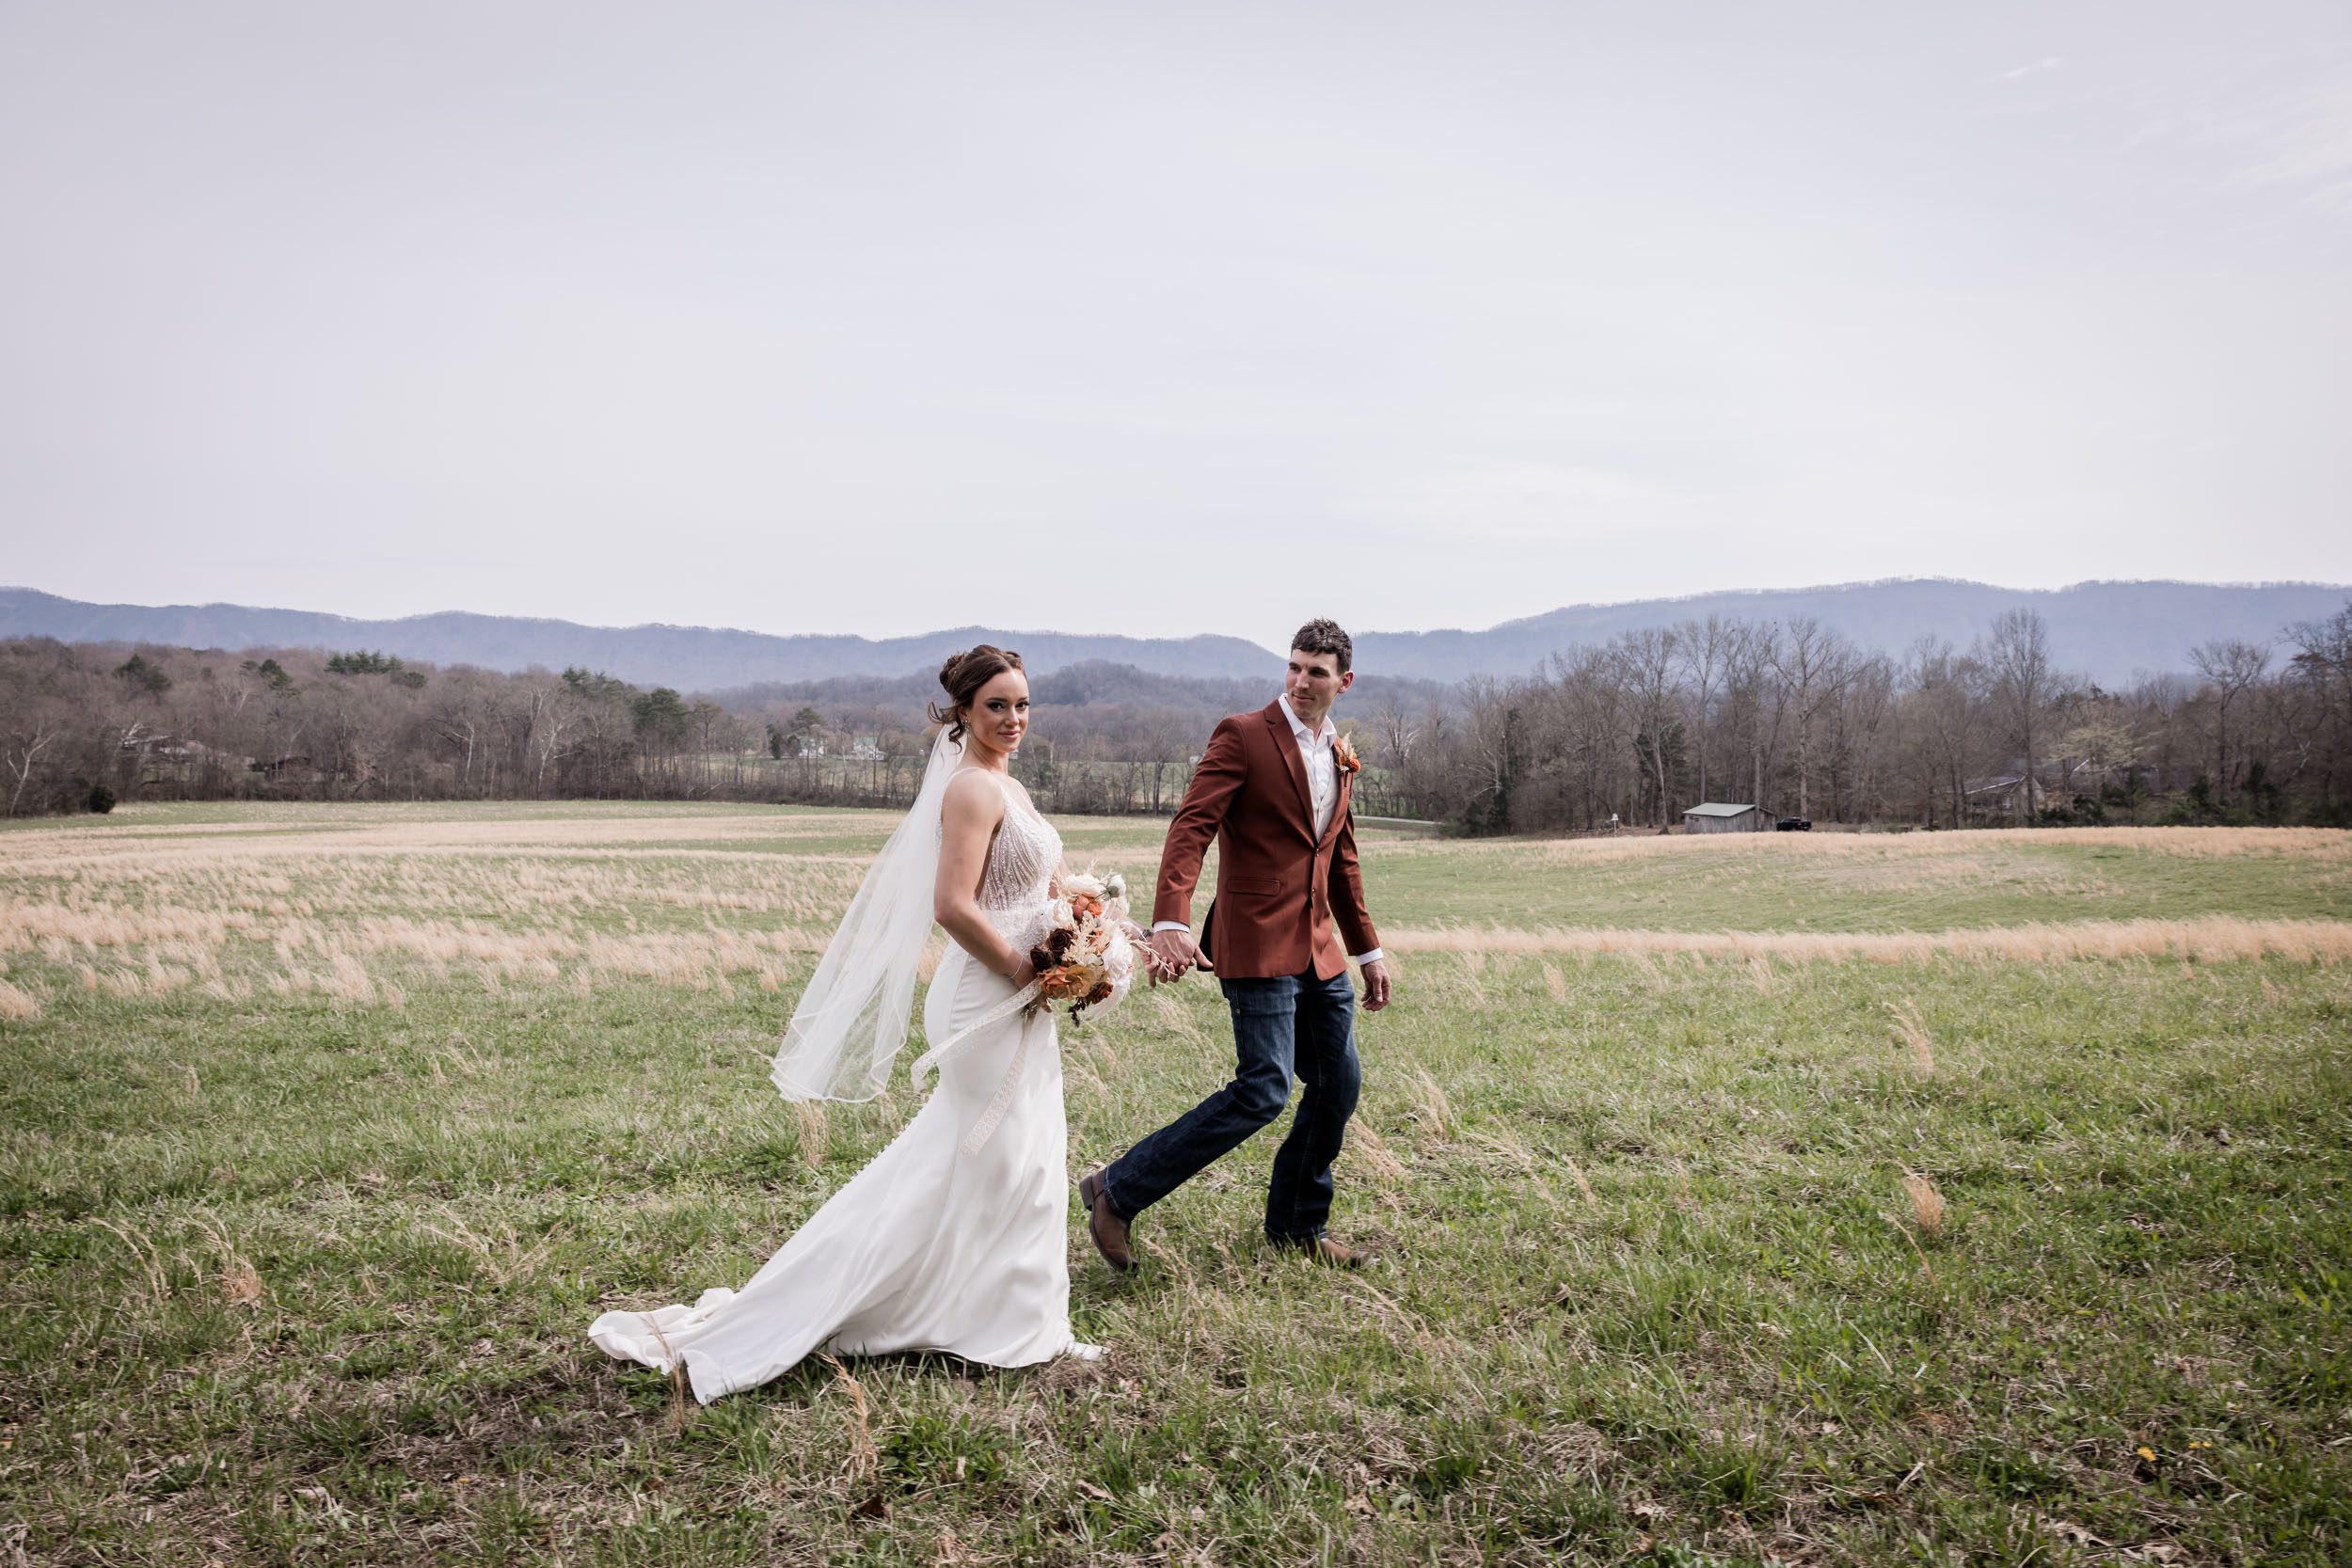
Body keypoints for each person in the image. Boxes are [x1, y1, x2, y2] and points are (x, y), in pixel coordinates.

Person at [588, 646, 1132, 1402]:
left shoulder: (1009, 783)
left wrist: (1085, 929)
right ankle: (968, 1315)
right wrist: (1021, 966)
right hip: (987, 991)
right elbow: (952, 905)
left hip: (1026, 988)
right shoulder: (972, 789)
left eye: (1023, 705)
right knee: (1002, 1153)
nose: (1014, 719)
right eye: (998, 706)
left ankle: (1013, 1315)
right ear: (964, 713)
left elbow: (1033, 885)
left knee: (1026, 1155)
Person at [1077, 619, 1393, 1272]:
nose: (1302, 681)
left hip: (1319, 949)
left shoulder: (1340, 752)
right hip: (1254, 941)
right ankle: (1116, 1190)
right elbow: (1192, 826)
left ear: (1345, 682)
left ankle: (1299, 1224)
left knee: (1338, 1082)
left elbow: (1341, 859)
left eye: (1317, 672)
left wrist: (1368, 951)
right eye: (1295, 667)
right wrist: (1171, 920)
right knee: (1264, 1088)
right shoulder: (1244, 735)